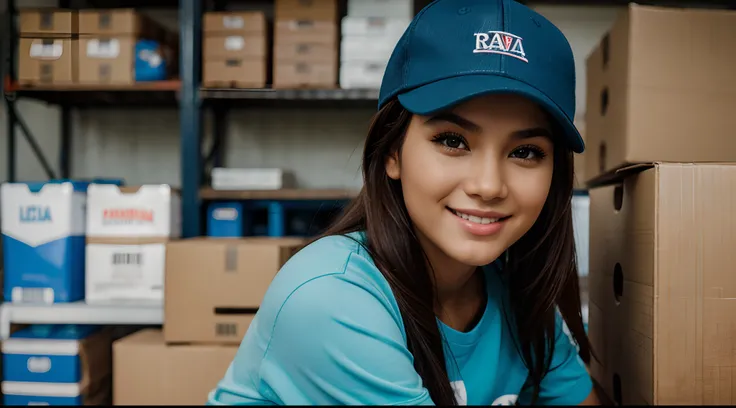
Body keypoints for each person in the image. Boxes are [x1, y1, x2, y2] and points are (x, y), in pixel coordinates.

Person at [207, 0, 599, 405]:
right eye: (452, 141)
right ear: (392, 152)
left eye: (526, 151)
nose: (488, 185)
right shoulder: (331, 298)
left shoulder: (518, 298)